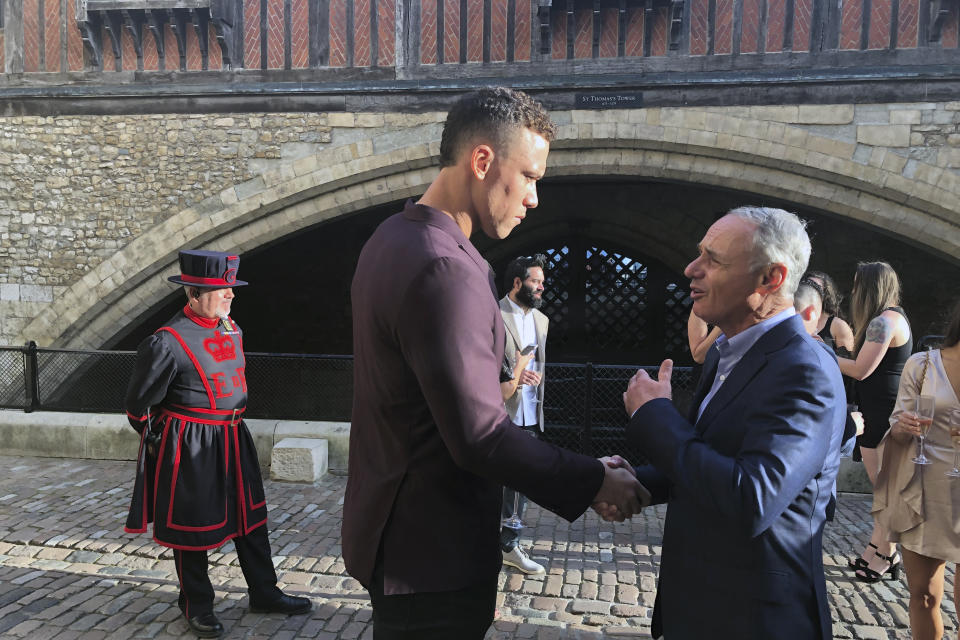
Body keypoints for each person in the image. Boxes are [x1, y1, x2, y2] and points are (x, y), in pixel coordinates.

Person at [341, 87, 647, 639]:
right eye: (529, 176)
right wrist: (593, 478)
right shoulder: (446, 268)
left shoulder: (389, 237)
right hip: (434, 556)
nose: (534, 198)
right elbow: (480, 436)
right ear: (482, 161)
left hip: (394, 536)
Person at [613, 207, 847, 639]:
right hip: (700, 607)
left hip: (755, 620)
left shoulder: (805, 369)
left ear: (771, 279)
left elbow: (751, 497)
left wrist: (655, 415)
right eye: (698, 254)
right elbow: (712, 456)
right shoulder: (725, 351)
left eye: (713, 260)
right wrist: (639, 483)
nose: (690, 269)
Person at [123, 250, 311, 639]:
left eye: (230, 287)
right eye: (221, 288)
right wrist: (164, 443)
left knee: (251, 519)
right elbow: (137, 406)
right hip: (191, 447)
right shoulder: (166, 341)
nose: (230, 295)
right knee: (193, 529)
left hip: (233, 437)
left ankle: (264, 592)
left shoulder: (230, 327)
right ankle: (197, 605)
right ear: (192, 294)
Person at [873, 299, 960, 639]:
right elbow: (896, 423)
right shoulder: (922, 365)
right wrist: (902, 425)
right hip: (923, 490)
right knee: (924, 596)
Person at [837, 261, 911, 581]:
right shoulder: (887, 319)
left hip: (883, 415)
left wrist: (818, 353)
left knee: (885, 490)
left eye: (856, 286)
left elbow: (860, 370)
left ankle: (886, 554)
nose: (853, 292)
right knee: (882, 489)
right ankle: (876, 550)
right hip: (879, 410)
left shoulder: (885, 321)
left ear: (869, 288)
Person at [498, 253, 550, 575]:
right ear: (518, 282)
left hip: (531, 409)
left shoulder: (541, 320)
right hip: (499, 409)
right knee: (495, 481)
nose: (542, 287)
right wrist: (514, 377)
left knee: (520, 484)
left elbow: (539, 360)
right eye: (535, 281)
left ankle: (509, 543)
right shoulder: (494, 314)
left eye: (542, 282)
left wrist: (537, 375)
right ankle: (499, 542)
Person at [804, 270, 855, 353]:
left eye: (817, 288)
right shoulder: (794, 318)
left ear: (827, 295)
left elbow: (848, 363)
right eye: (808, 286)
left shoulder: (838, 326)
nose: (811, 292)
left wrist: (823, 350)